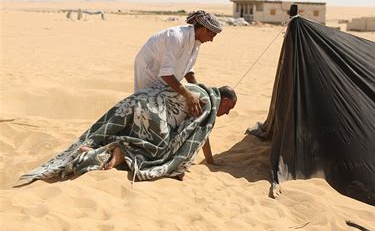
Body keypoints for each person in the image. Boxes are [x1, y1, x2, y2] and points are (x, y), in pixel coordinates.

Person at [16, 84, 237, 185]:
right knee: (159, 151)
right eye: (229, 109)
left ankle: (96, 149)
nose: (226, 114)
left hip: (135, 101)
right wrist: (176, 164)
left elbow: (200, 133)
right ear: (225, 101)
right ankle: (116, 152)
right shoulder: (208, 105)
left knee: (100, 132)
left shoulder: (200, 90)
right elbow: (189, 136)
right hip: (152, 114)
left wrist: (210, 160)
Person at [134, 10, 223, 117]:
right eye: (212, 35)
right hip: (149, 71)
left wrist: (197, 90)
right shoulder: (176, 37)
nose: (211, 40)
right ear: (204, 30)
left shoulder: (197, 42)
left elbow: (188, 70)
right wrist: (188, 95)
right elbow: (166, 74)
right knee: (147, 107)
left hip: (167, 75)